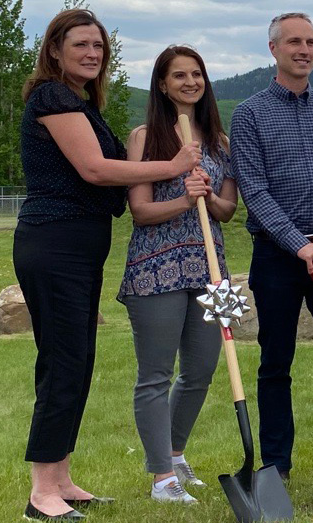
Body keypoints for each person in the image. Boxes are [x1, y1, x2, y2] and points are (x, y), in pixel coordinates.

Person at [16, 9, 201, 520]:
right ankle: (41, 493)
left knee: (76, 363)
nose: (93, 53)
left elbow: (118, 163)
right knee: (62, 364)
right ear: (55, 50)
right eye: (81, 45)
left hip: (78, 247)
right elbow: (95, 169)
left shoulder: (81, 104)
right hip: (54, 243)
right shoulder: (52, 96)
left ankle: (62, 479)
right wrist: (174, 166)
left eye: (99, 46)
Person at [229, 12, 313, 480]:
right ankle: (276, 465)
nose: (304, 50)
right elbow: (255, 189)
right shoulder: (250, 115)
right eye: (294, 42)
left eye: (310, 42)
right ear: (274, 49)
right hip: (277, 258)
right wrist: (297, 244)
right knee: (275, 361)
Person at [118, 45, 237, 503]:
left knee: (202, 369)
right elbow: (141, 210)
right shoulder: (145, 137)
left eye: (197, 74)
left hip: (209, 268)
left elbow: (227, 210)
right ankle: (161, 479)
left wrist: (207, 194)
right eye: (179, 75)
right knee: (156, 373)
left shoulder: (219, 142)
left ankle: (175, 453)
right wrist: (185, 201)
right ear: (163, 84)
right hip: (156, 268)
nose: (190, 82)